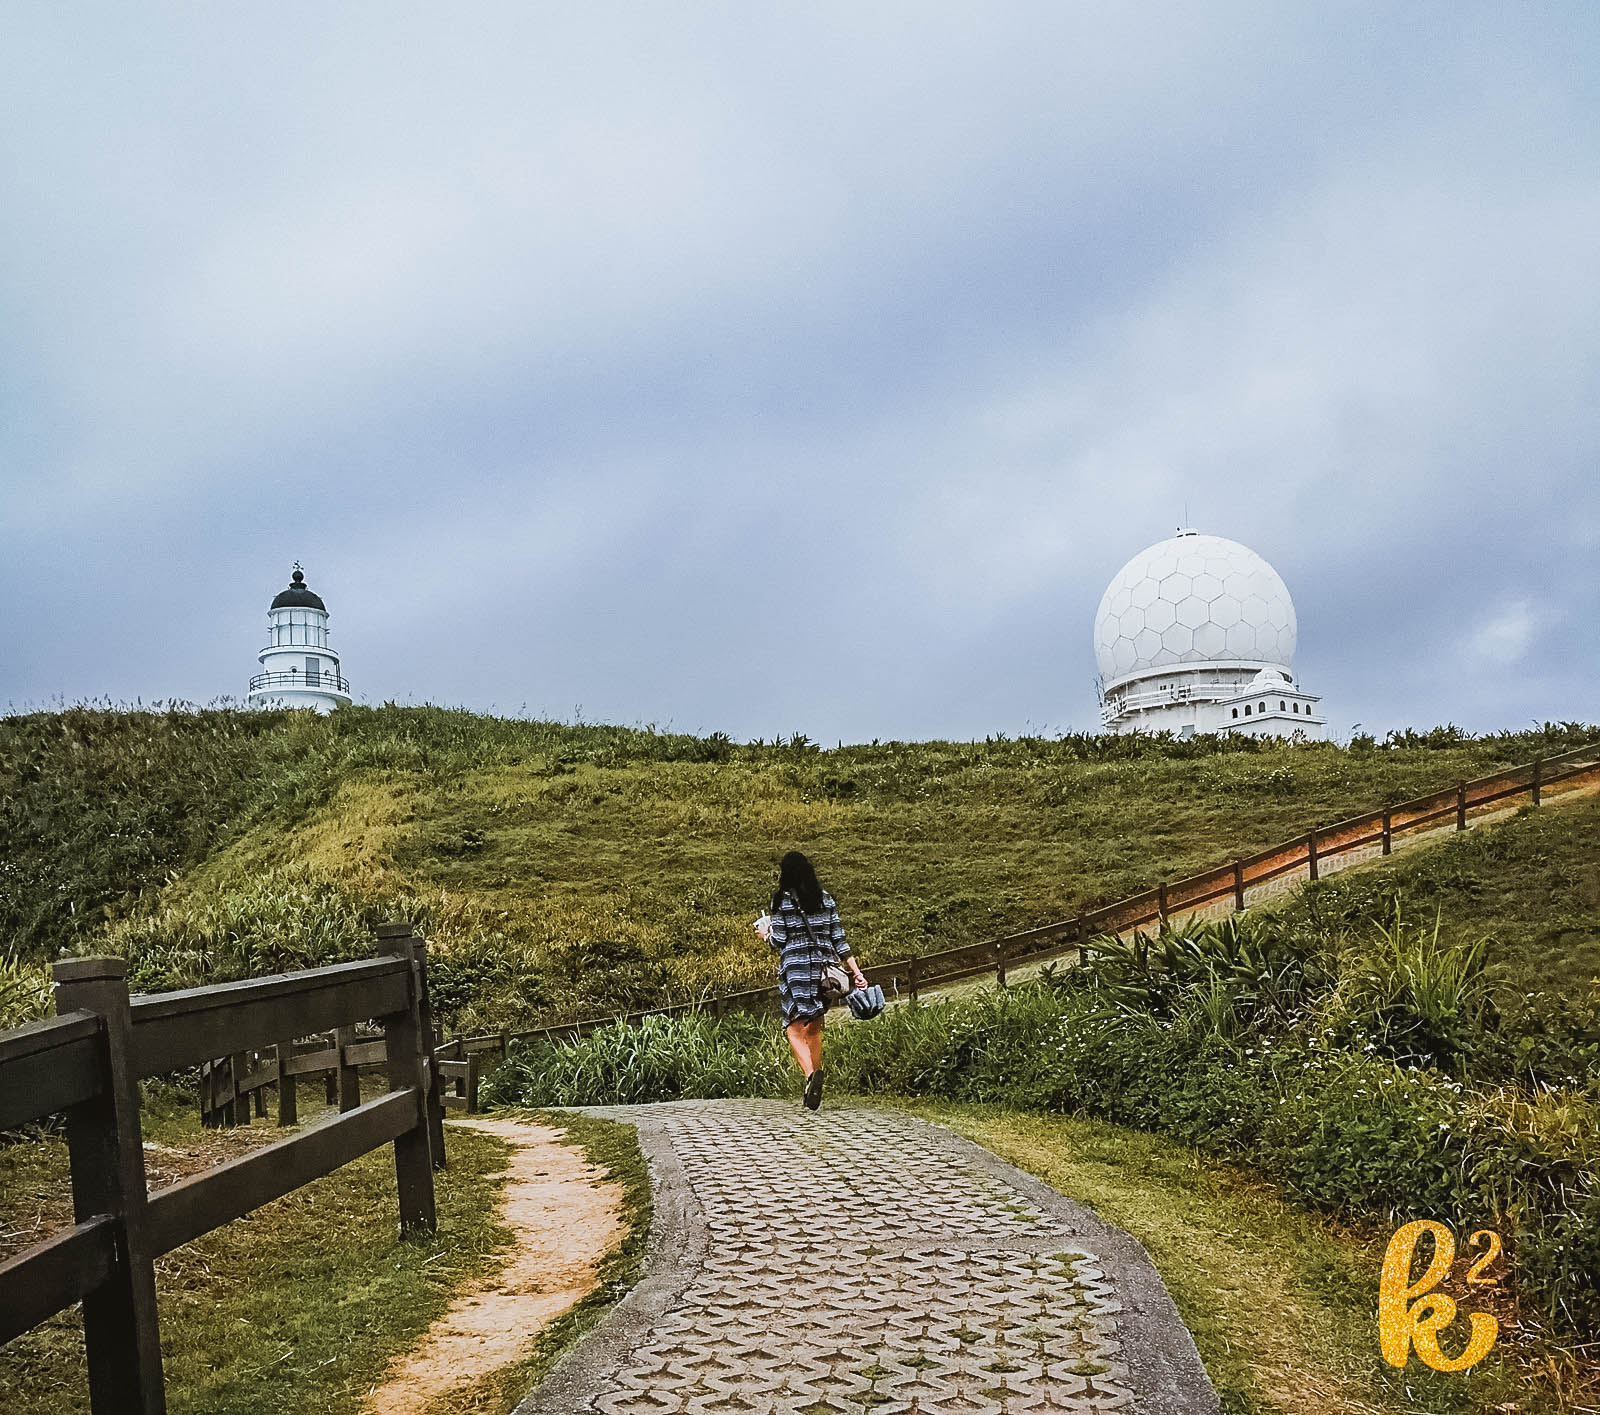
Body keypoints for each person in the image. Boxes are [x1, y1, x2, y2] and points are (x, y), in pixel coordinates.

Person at [760, 850, 866, 1111]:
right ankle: (815, 1079)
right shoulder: (825, 899)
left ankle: (810, 1076)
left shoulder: (782, 900)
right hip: (824, 969)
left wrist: (765, 933)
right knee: (815, 1026)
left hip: (795, 968)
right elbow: (839, 940)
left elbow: (779, 940)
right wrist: (856, 972)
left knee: (793, 1026)